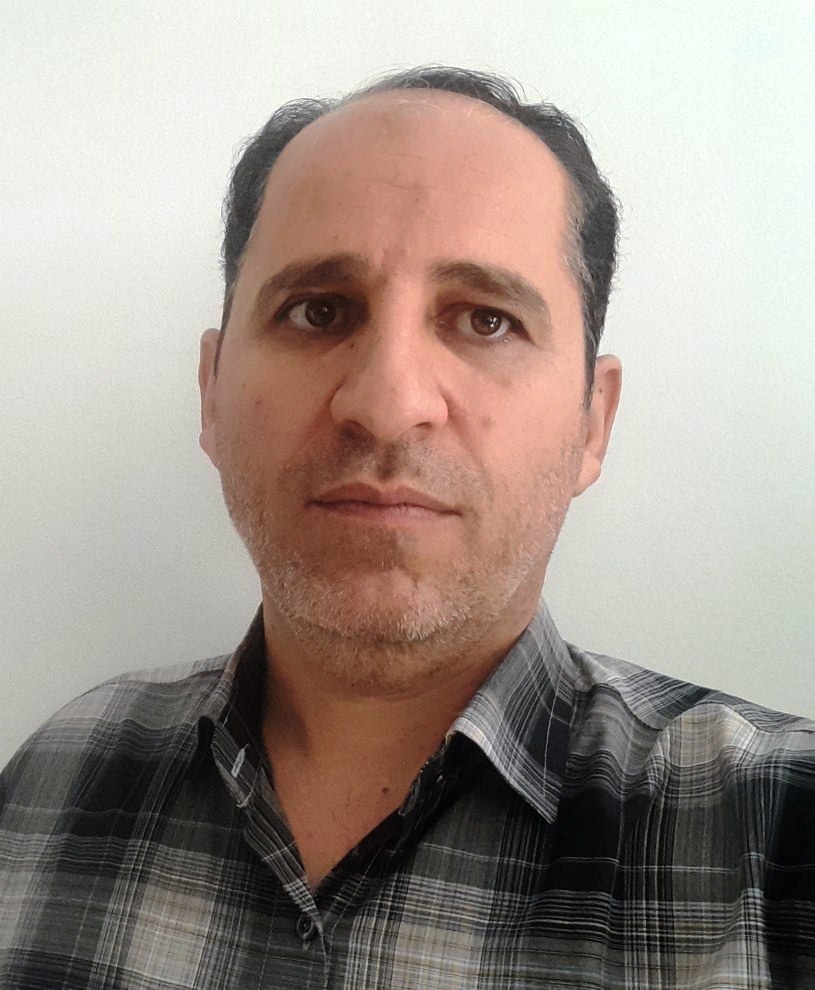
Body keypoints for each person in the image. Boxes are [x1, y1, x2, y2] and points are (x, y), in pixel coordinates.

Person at [1, 65, 813, 989]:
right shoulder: (55, 778)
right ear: (211, 393)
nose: (386, 404)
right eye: (317, 311)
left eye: (485, 320)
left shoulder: (775, 837)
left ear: (593, 422)